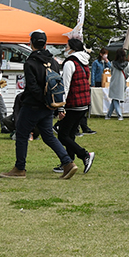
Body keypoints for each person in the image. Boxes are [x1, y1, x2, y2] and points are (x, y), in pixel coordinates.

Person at [0, 30, 78, 179]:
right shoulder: (54, 62)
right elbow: (58, 85)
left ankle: (19, 168)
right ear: (45, 44)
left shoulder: (30, 63)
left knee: (22, 135)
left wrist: (42, 101)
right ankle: (68, 162)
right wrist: (52, 105)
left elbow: (33, 88)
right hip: (49, 106)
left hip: (32, 106)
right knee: (48, 136)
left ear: (31, 43)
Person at [53, 38, 96, 175]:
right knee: (70, 134)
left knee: (62, 135)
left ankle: (84, 154)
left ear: (72, 48)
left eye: (66, 46)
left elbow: (65, 86)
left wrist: (61, 106)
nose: (65, 49)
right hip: (84, 103)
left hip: (73, 103)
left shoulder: (70, 63)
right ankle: (68, 162)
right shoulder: (84, 62)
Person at [106, 49, 129, 120]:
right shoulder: (127, 64)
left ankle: (118, 115)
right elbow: (128, 73)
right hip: (122, 82)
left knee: (115, 98)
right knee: (115, 98)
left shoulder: (113, 63)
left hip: (114, 82)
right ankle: (109, 115)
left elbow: (112, 72)